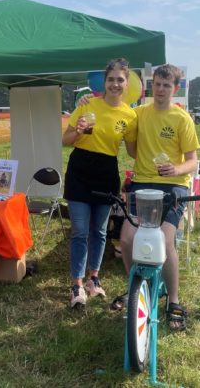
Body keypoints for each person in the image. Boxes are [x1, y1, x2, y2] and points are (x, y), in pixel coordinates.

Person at [111, 64, 199, 332]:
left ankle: (173, 300)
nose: (160, 90)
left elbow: (192, 162)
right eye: (157, 85)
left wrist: (176, 169)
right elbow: (133, 148)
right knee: (126, 238)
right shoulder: (139, 114)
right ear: (151, 87)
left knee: (165, 238)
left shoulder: (182, 119)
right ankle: (136, 290)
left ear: (174, 88)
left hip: (174, 185)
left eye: (166, 85)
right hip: (143, 183)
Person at [62, 58, 137, 309]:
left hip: (106, 173)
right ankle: (77, 284)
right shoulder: (87, 105)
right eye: (111, 79)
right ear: (104, 82)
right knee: (81, 231)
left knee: (101, 231)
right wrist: (79, 132)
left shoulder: (129, 115)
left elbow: (135, 150)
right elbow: (66, 139)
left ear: (126, 84)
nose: (115, 84)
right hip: (80, 170)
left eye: (120, 80)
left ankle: (94, 278)